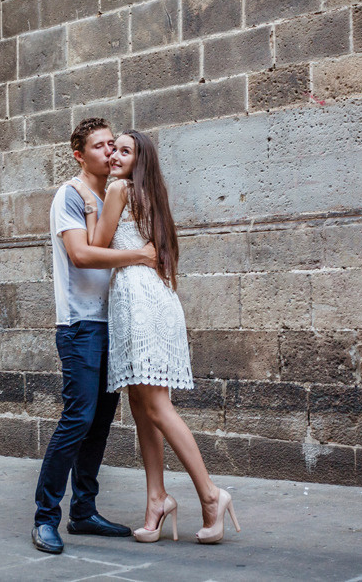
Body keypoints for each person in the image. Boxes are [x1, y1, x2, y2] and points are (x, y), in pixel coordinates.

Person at [70, 130, 242, 544]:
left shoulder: (118, 191)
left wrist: (91, 207)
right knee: (142, 404)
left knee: (157, 407)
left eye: (124, 151)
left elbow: (95, 246)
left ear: (138, 160)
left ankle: (210, 495)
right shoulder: (151, 196)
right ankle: (157, 499)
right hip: (153, 297)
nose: (114, 156)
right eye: (114, 149)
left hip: (138, 300)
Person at [32, 118, 158, 555]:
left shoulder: (113, 196)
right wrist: (139, 257)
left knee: (101, 422)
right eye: (100, 146)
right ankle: (45, 517)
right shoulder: (70, 194)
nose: (109, 152)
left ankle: (83, 512)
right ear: (80, 154)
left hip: (114, 321)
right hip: (80, 324)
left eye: (113, 144)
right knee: (79, 417)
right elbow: (82, 255)